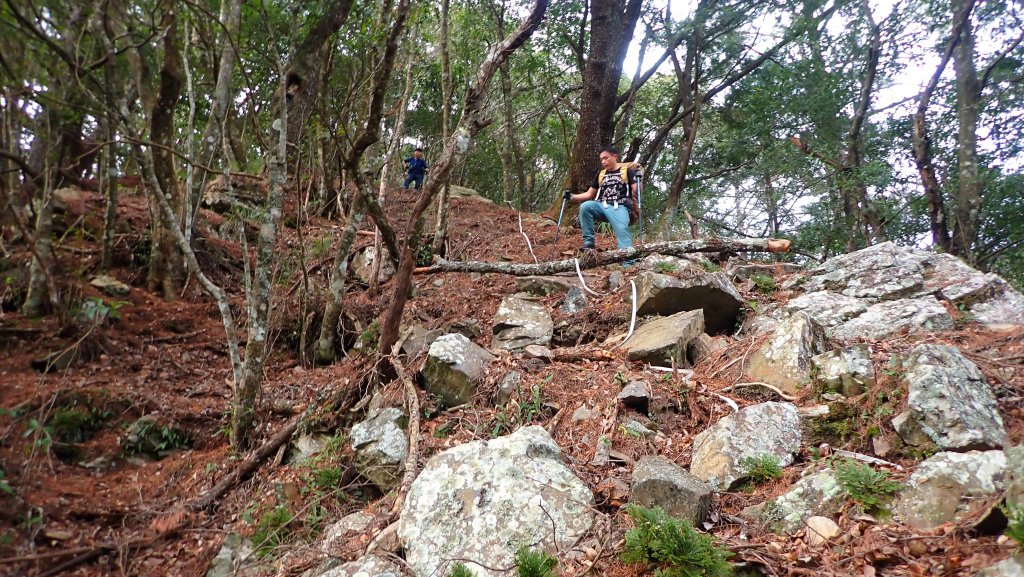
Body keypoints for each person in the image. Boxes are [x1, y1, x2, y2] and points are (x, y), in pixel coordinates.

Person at [565, 146, 637, 251]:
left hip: (620, 206)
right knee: (585, 206)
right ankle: (589, 243)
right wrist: (571, 196)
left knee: (622, 230)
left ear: (615, 156)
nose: (603, 161)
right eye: (601, 159)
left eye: (606, 158)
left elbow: (637, 190)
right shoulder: (601, 174)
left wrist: (638, 178)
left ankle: (627, 257)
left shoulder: (627, 171)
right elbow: (589, 194)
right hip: (602, 206)